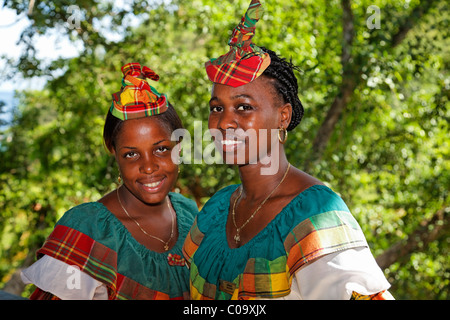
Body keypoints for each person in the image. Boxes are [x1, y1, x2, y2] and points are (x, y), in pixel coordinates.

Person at [182, 0, 393, 300]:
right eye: (217, 107)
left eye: (244, 107)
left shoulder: (317, 215)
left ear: (283, 116)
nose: (224, 121)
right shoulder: (216, 210)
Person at [21, 62, 198, 300]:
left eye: (161, 149)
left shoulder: (189, 215)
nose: (148, 166)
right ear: (113, 151)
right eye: (131, 154)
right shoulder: (89, 229)